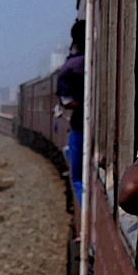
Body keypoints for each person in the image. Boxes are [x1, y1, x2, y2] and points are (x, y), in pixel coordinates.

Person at [57, 20, 86, 205]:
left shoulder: (70, 66)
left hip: (81, 128)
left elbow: (66, 101)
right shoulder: (99, 57)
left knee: (77, 178)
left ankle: (86, 214)